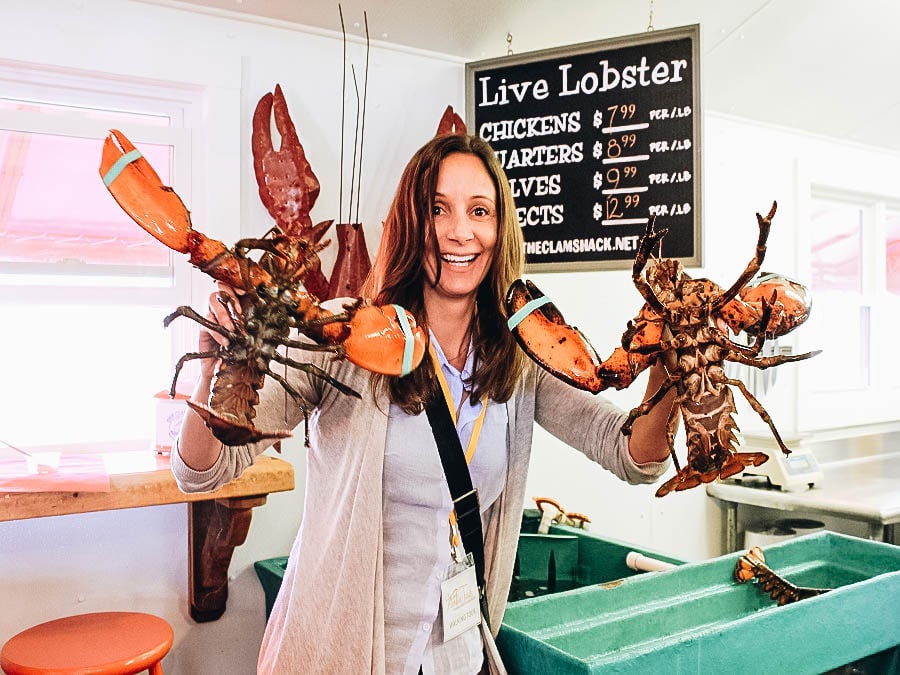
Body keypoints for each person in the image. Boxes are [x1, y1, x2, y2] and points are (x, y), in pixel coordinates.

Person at [172, 132, 675, 674]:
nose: (460, 232)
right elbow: (203, 471)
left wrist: (672, 364)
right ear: (413, 223)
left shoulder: (521, 354)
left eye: (479, 211)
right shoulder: (342, 333)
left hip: (453, 657)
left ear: (500, 229)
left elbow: (633, 455)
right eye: (439, 209)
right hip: (337, 654)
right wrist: (213, 368)